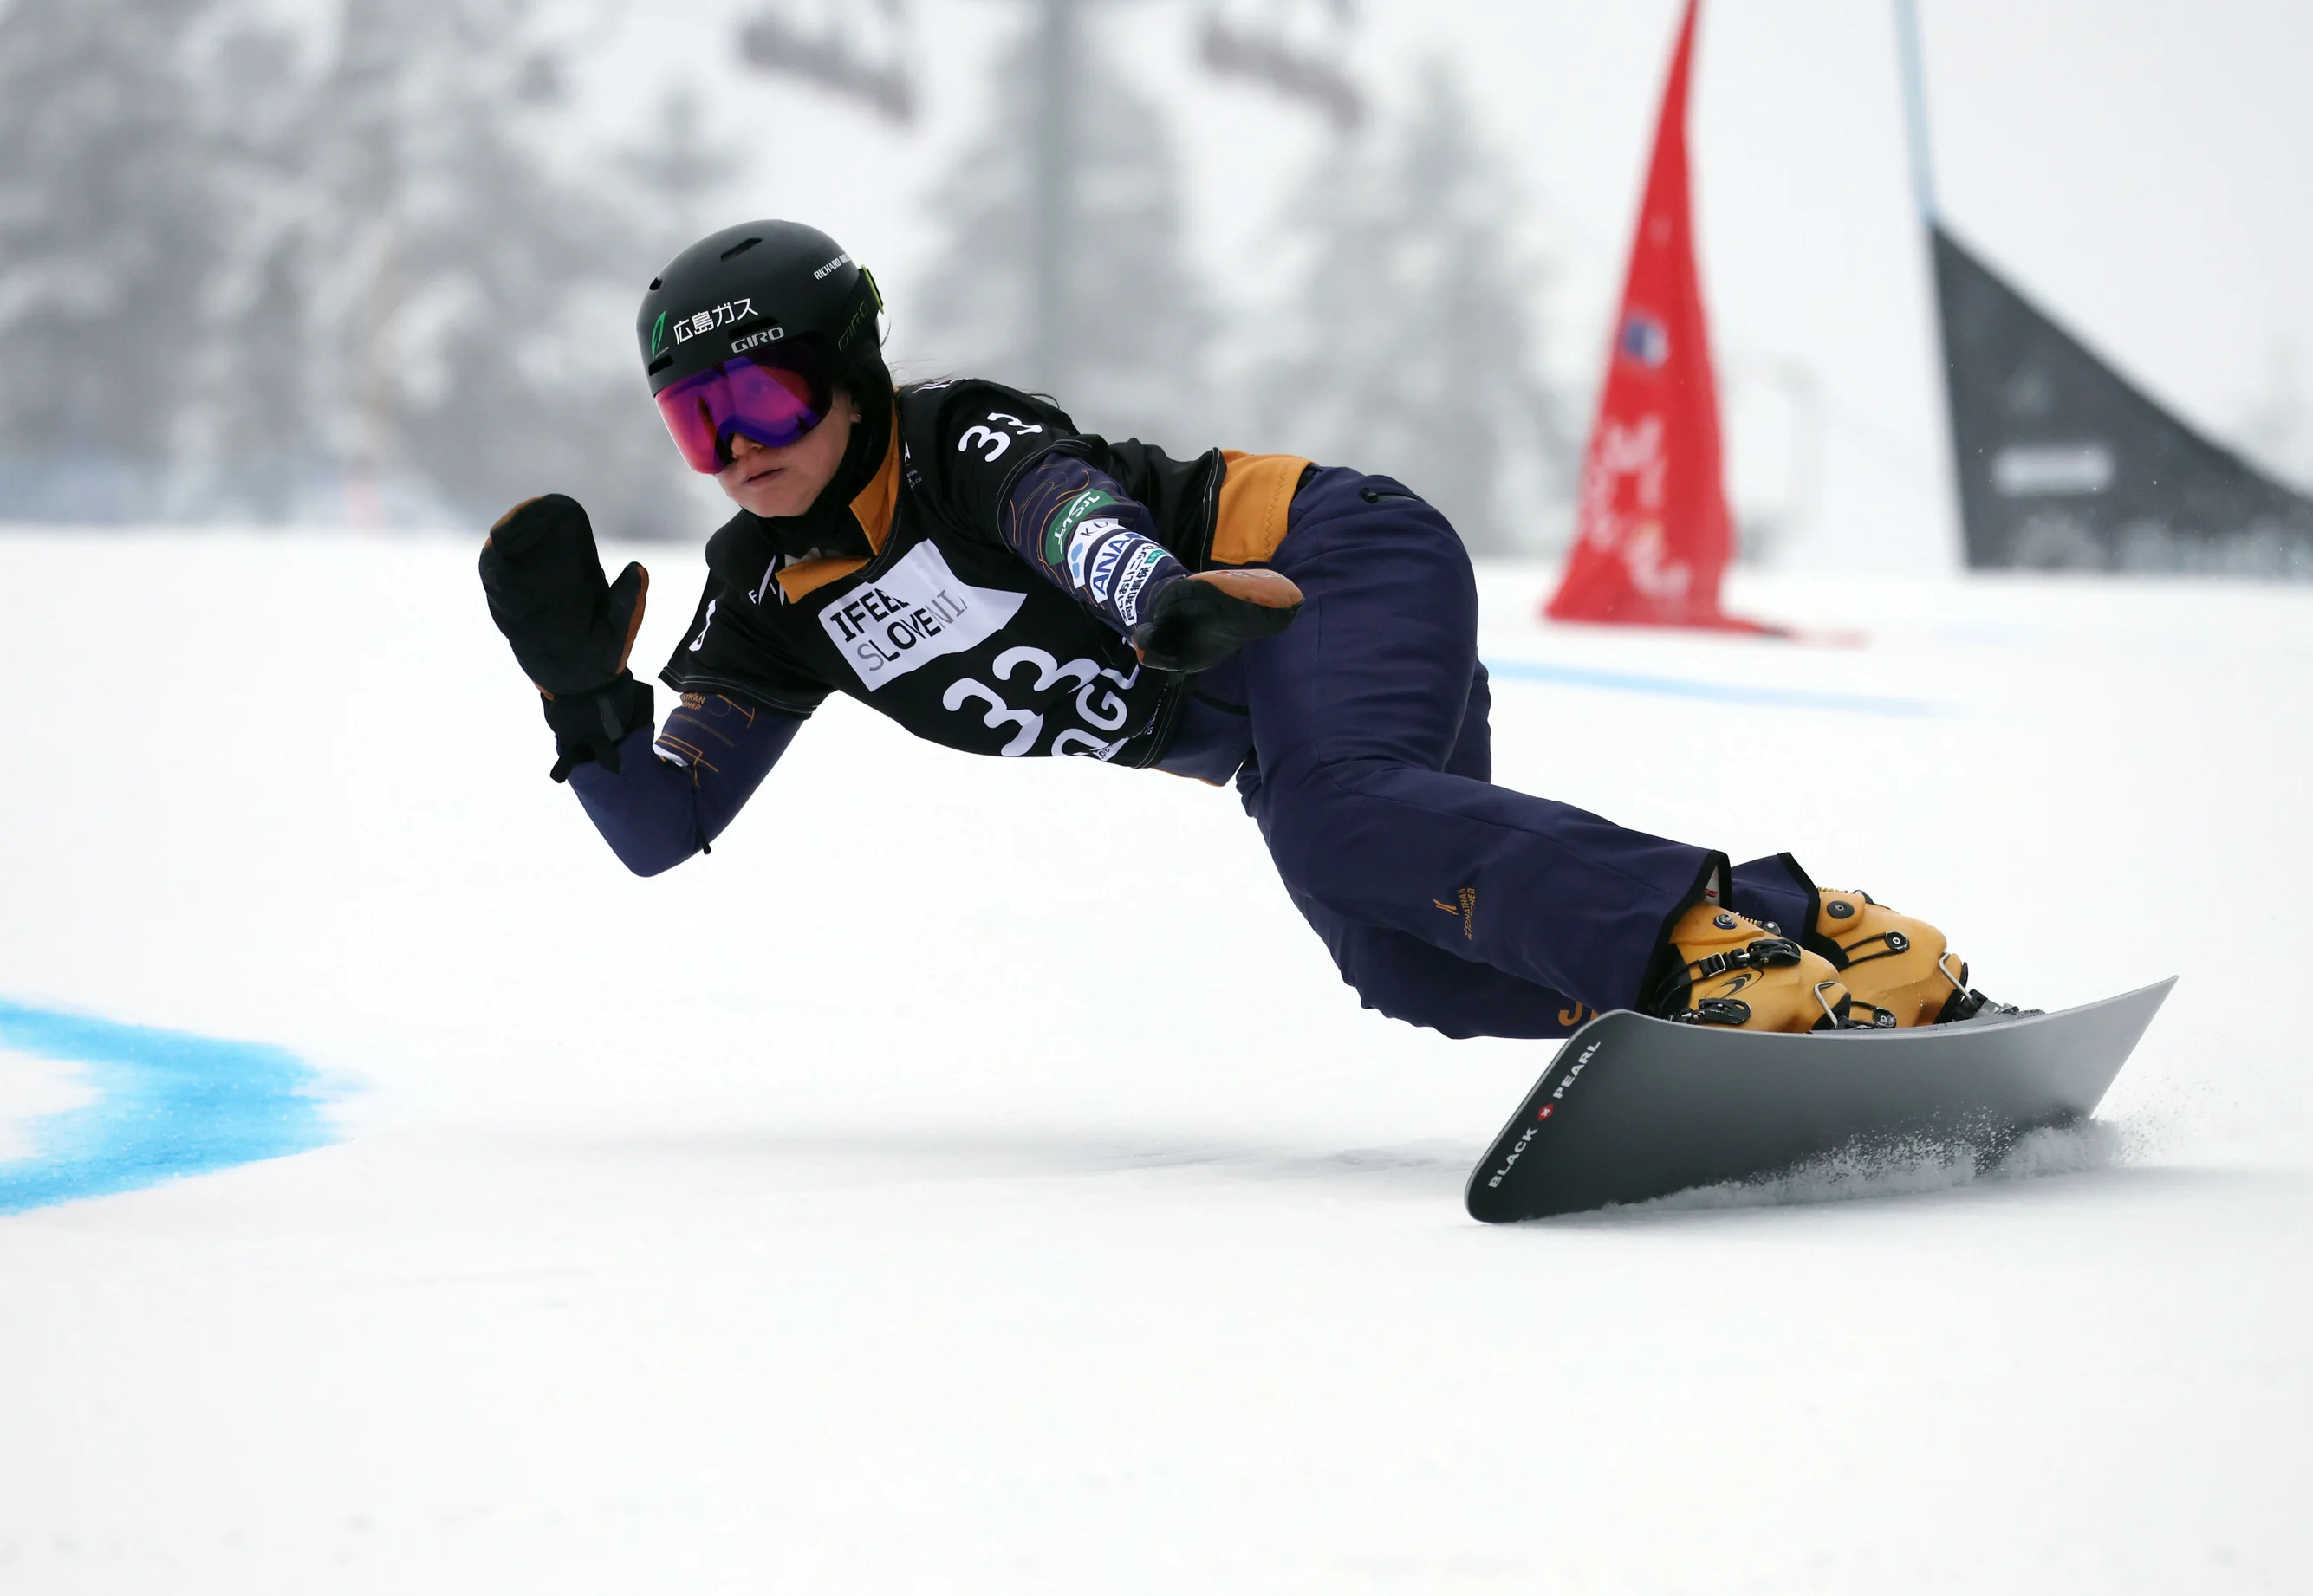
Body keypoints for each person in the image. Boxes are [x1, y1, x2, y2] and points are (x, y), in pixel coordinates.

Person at [480, 219, 2008, 1041]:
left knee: (1343, 823)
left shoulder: (954, 441)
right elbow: (659, 829)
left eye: (764, 393)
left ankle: (1689, 954)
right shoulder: (764, 599)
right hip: (1269, 713)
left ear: (853, 366)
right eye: (697, 419)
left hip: (1325, 570)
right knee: (1400, 962)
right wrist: (581, 697)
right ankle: (1817, 941)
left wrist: (1160, 597)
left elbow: (1067, 518)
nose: (739, 442)